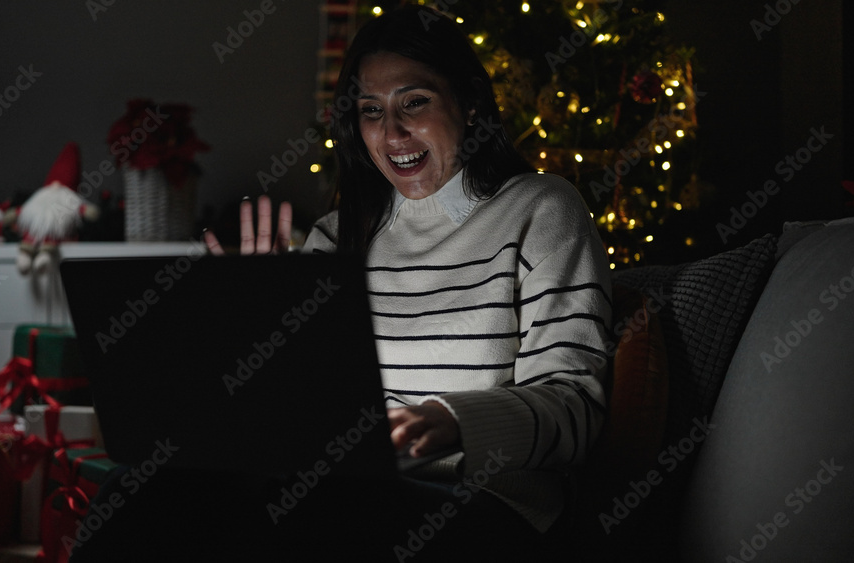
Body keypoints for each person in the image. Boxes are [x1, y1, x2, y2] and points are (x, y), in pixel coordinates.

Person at [73, 5, 611, 561]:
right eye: (371, 111)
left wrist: (450, 421)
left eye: (415, 102)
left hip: (488, 506)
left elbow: (575, 407)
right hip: (342, 486)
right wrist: (258, 335)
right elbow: (295, 420)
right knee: (139, 488)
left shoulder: (541, 208)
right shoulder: (337, 236)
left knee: (305, 508)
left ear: (471, 102)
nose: (392, 132)